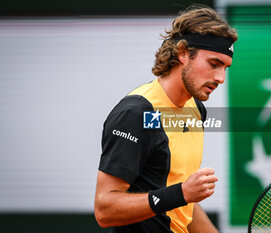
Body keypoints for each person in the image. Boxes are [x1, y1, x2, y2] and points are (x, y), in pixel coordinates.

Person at [94, 5, 238, 233]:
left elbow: (183, 202)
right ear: (183, 53)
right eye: (213, 64)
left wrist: (183, 194)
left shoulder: (196, 109)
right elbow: (105, 209)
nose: (220, 78)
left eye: (225, 68)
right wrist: (181, 193)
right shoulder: (136, 114)